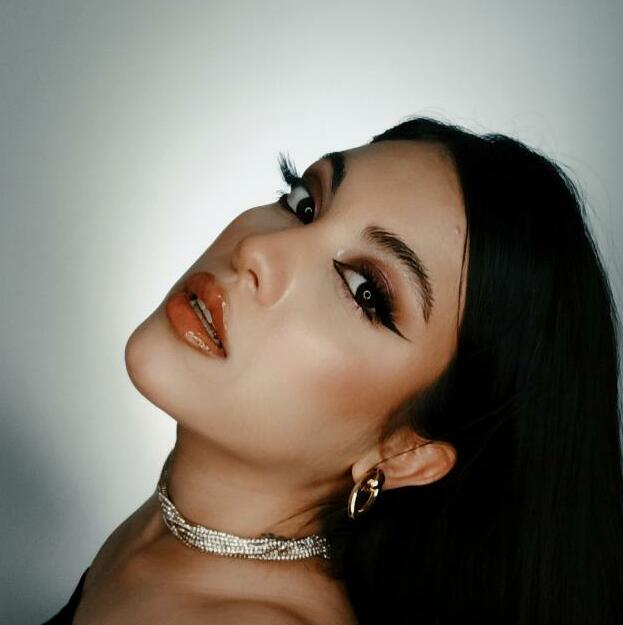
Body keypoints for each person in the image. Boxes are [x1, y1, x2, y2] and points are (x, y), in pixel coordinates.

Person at [42, 116, 623, 625]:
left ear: (406, 453)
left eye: (365, 290)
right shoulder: (170, 530)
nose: (258, 251)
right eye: (305, 205)